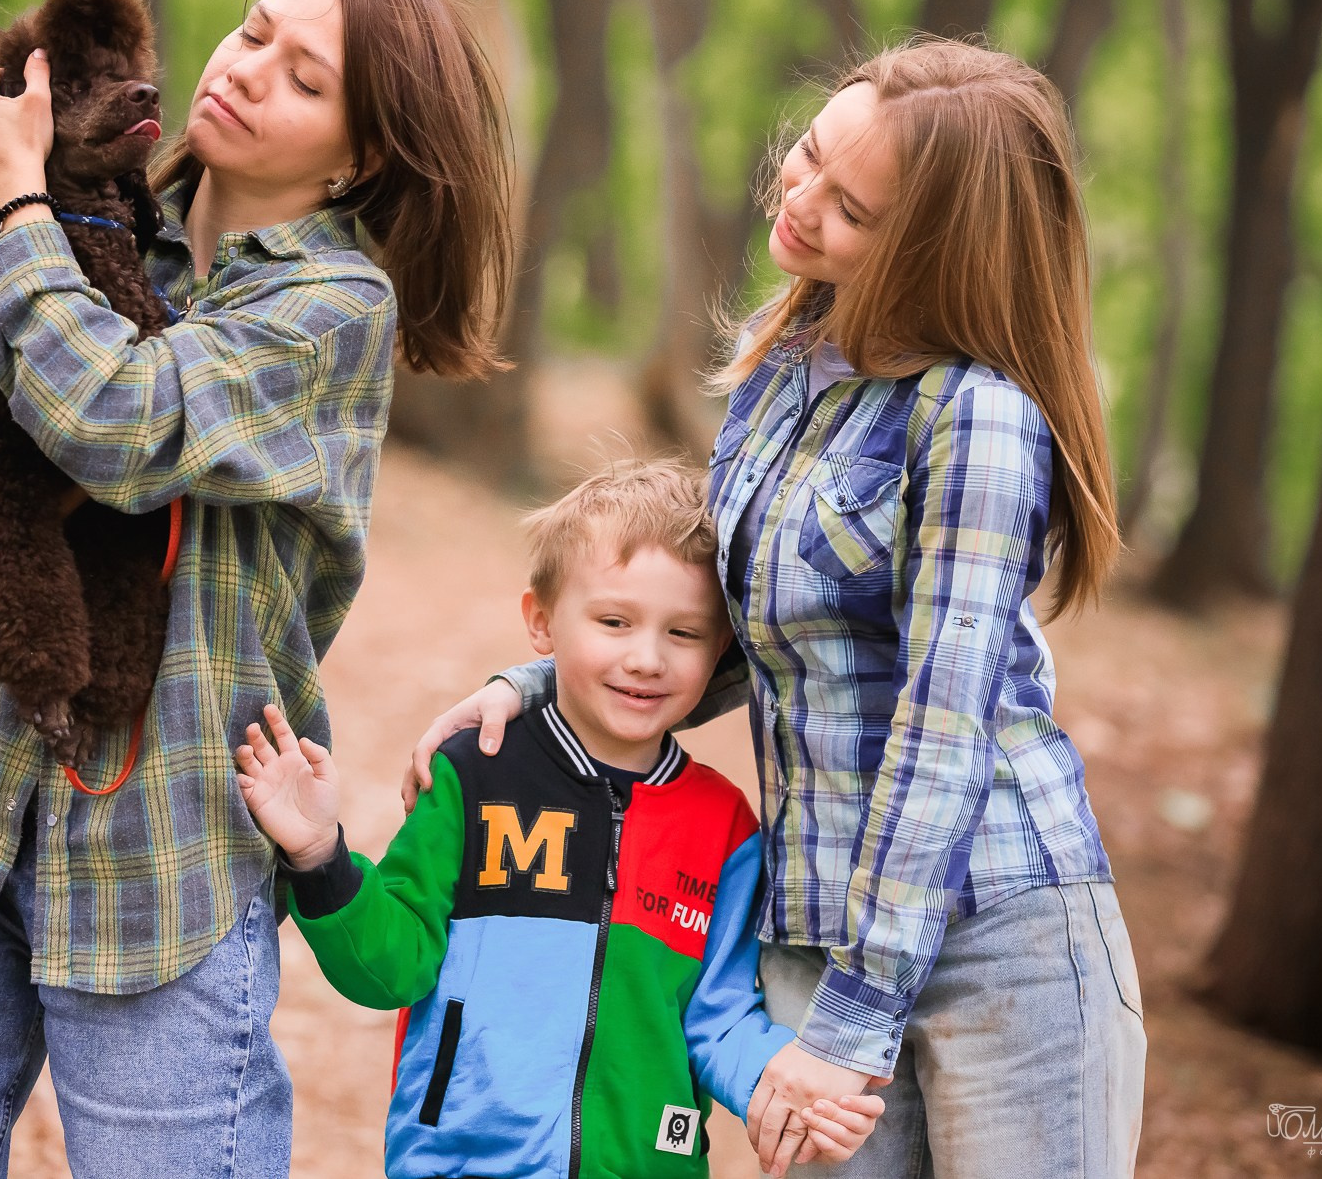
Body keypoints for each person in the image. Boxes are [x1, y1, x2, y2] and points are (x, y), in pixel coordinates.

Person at [0, 0, 514, 1177]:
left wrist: (16, 210)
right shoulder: (76, 231)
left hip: (162, 861)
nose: (245, 67)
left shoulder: (332, 310)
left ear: (363, 152)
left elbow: (117, 421)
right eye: (254, 30)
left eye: (306, 76)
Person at [408, 39, 1146, 1177]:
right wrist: (534, 691)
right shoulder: (782, 370)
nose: (798, 202)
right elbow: (754, 643)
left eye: (848, 207)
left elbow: (940, 730)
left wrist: (854, 1023)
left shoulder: (977, 419)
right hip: (813, 919)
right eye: (806, 157)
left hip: (998, 935)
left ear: (930, 248)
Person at [236, 459, 885, 1178]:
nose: (646, 657)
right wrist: (320, 854)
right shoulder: (474, 773)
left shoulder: (723, 826)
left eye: (684, 632)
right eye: (614, 621)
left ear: (721, 648)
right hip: (463, 1161)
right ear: (542, 622)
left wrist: (784, 1087)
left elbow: (718, 1016)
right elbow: (391, 967)